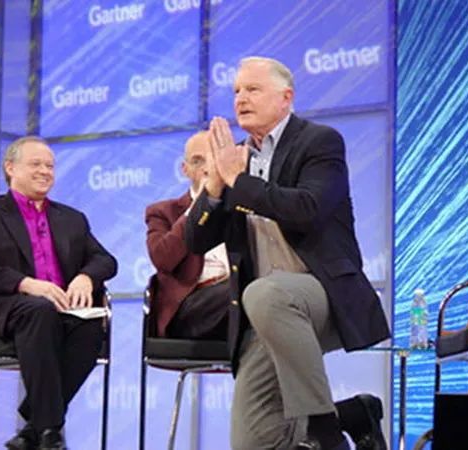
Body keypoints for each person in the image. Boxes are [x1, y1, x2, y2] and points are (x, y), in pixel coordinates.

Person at [185, 56, 391, 450]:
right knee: (253, 442)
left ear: (286, 97)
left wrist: (238, 180)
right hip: (266, 311)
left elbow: (307, 210)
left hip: (323, 293)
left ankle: (325, 431)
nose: (241, 98)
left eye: (253, 89)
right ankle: (351, 414)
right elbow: (194, 242)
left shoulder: (319, 142)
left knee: (267, 293)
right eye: (236, 91)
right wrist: (214, 187)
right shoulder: (234, 159)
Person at [0, 136, 117, 450]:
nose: (45, 171)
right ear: (10, 168)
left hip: (59, 311)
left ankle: (34, 429)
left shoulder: (71, 218)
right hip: (2, 306)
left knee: (90, 326)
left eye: (50, 166)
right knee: (39, 309)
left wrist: (86, 277)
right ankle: (49, 430)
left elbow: (105, 260)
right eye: (36, 164)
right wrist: (24, 284)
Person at [145, 131, 230, 340]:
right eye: (198, 161)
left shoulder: (240, 206)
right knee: (247, 294)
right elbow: (163, 258)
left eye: (213, 159)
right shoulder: (162, 212)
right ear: (185, 170)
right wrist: (200, 207)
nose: (207, 169)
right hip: (189, 305)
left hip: (234, 301)